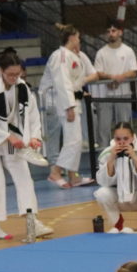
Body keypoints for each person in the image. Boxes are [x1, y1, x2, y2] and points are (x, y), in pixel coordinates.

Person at [0, 51, 54, 241]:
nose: (15, 78)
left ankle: (32, 222)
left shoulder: (22, 87)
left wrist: (34, 137)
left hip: (14, 138)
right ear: (1, 70)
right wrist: (7, 137)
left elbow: (32, 114)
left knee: (24, 178)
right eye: (11, 74)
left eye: (18, 74)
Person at [40, 23, 98, 189]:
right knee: (73, 140)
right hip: (60, 102)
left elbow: (76, 81)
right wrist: (69, 107)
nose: (79, 40)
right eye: (78, 37)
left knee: (75, 140)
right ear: (72, 38)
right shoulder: (60, 56)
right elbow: (63, 82)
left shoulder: (71, 55)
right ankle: (56, 171)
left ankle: (73, 176)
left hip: (72, 100)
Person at [94, 121, 137, 234]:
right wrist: (111, 159)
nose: (122, 142)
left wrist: (135, 158)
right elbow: (103, 182)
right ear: (114, 139)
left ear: (133, 137)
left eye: (126, 138)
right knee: (102, 193)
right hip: (119, 197)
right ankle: (117, 222)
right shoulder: (107, 153)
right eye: (118, 139)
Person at [91, 19, 137, 143]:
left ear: (120, 32)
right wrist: (111, 78)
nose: (111, 34)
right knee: (103, 127)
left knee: (124, 126)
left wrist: (119, 78)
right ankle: (104, 151)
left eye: (113, 31)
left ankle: (125, 150)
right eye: (108, 31)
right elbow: (98, 73)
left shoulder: (128, 51)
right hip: (105, 95)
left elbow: (133, 71)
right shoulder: (101, 53)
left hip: (124, 94)